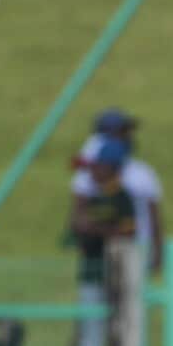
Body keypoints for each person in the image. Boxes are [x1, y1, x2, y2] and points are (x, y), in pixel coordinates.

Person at [67, 138, 137, 346]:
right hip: (92, 274)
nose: (92, 172)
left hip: (116, 276)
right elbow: (75, 232)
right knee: (91, 330)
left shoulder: (121, 198)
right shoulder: (94, 198)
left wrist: (94, 229)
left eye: (98, 167)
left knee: (119, 332)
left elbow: (128, 234)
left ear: (112, 167)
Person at [71, 108, 164, 273]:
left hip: (136, 249)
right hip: (97, 255)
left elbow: (154, 219)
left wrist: (157, 254)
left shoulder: (142, 172)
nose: (129, 137)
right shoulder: (90, 174)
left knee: (129, 296)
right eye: (123, 132)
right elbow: (79, 218)